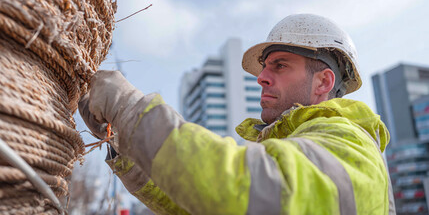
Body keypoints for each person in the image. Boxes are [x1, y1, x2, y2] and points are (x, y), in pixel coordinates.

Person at [79, 14, 395, 214]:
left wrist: (130, 111)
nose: (261, 77)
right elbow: (194, 204)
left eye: (280, 65)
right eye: (265, 67)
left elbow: (247, 188)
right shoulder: (302, 148)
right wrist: (121, 139)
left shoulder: (350, 141)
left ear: (324, 81)